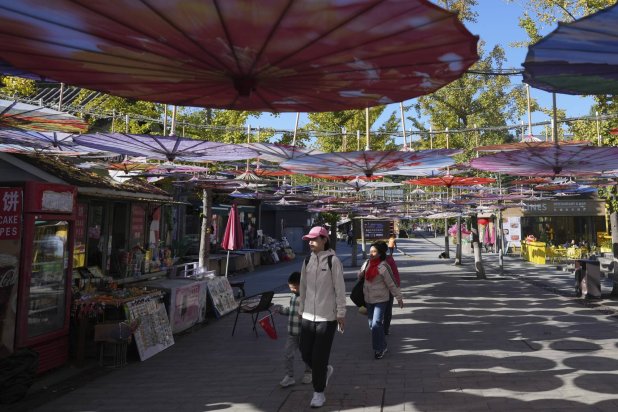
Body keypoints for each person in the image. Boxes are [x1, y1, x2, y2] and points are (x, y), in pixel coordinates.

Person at [299, 226, 346, 409]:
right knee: (304, 352)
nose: (310, 242)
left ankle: (318, 393)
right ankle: (324, 370)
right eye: (309, 240)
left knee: (319, 356)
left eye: (314, 239)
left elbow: (340, 290)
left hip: (327, 317)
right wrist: (301, 309)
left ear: (324, 240)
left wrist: (341, 313)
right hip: (308, 316)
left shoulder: (333, 261)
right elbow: (302, 287)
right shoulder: (306, 260)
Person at [358, 241, 403, 359]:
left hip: (381, 299)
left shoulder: (383, 266)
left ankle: (379, 349)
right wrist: (361, 273)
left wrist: (399, 298)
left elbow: (392, 283)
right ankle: (383, 344)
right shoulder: (367, 263)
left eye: (374, 252)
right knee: (372, 326)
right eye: (370, 251)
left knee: (376, 323)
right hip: (368, 299)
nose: (371, 254)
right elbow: (360, 276)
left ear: (380, 254)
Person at [278, 271, 312, 388]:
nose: (292, 290)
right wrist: (281, 310)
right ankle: (289, 376)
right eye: (290, 287)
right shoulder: (293, 296)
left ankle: (309, 372)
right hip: (292, 332)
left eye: (294, 287)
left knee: (306, 354)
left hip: (304, 332)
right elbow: (291, 311)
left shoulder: (307, 296)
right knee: (288, 354)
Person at [373, 241, 400, 336]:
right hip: (377, 291)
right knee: (384, 311)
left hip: (385, 290)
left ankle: (383, 329)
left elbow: (395, 275)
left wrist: (396, 290)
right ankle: (381, 328)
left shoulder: (388, 260)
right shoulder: (373, 260)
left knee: (385, 311)